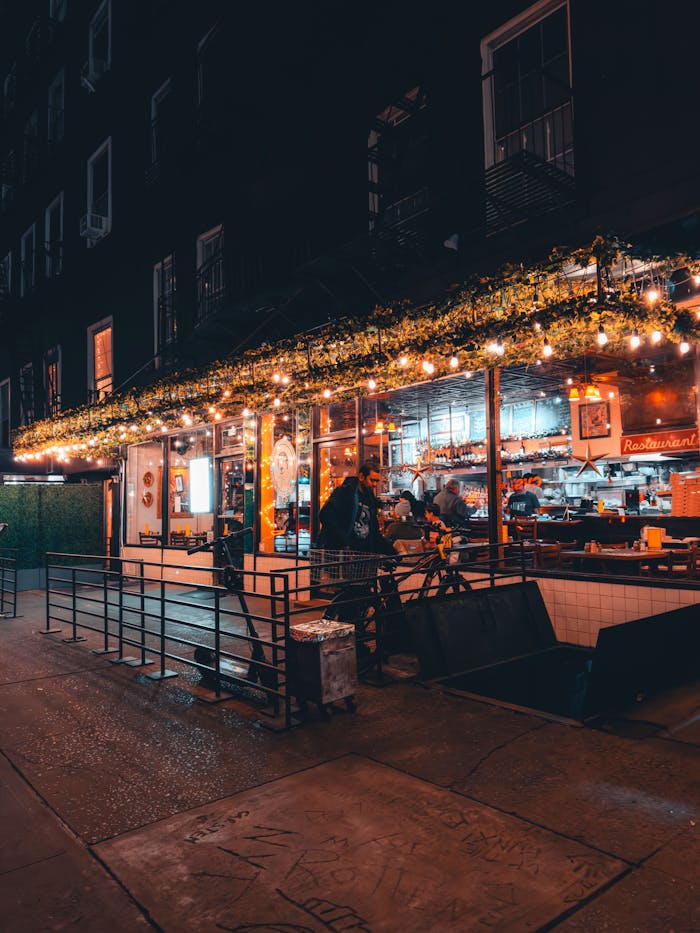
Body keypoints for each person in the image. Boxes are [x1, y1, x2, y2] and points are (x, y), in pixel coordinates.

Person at [318, 461, 396, 555]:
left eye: (377, 481)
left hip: (362, 552)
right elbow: (325, 516)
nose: (375, 485)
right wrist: (344, 541)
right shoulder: (345, 492)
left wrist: (391, 551)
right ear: (361, 477)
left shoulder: (370, 499)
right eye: (372, 480)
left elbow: (373, 530)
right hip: (342, 553)